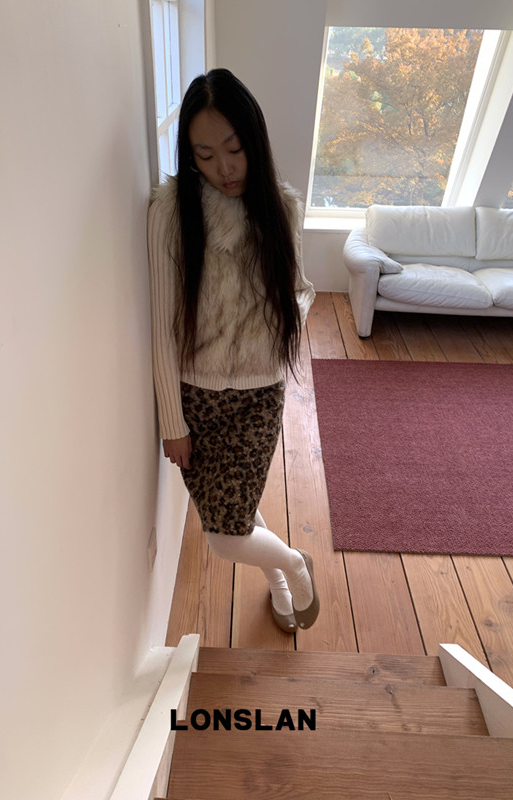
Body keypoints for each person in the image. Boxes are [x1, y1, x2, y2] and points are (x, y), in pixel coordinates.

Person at [147, 69, 320, 633]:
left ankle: (294, 566)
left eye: (234, 148)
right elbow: (161, 325)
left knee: (223, 537)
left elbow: (300, 290)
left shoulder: (282, 209)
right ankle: (282, 573)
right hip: (195, 398)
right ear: (189, 155)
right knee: (235, 510)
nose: (224, 167)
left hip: (258, 393)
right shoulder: (171, 212)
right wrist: (172, 421)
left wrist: (280, 322)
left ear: (254, 140)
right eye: (205, 155)